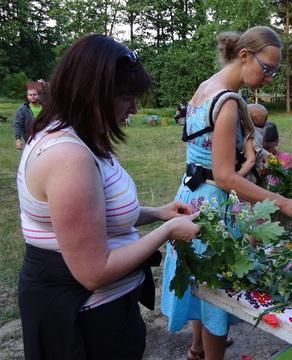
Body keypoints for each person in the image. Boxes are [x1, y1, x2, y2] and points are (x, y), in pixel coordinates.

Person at [16, 34, 200, 360]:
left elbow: (97, 214)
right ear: (91, 94)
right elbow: (94, 271)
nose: (134, 108)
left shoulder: (81, 134)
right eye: (126, 97)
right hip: (84, 320)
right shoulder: (68, 158)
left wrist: (158, 213)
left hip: (104, 310)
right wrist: (168, 232)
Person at [160, 26, 292, 360]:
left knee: (202, 283)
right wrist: (284, 203)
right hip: (213, 208)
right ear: (244, 56)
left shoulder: (205, 88)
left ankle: (196, 350)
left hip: (189, 198)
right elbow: (226, 178)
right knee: (217, 294)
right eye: (267, 69)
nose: (269, 77)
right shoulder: (228, 102)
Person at [237, 103, 268, 185]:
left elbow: (251, 160)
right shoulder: (258, 134)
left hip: (248, 178)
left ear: (243, 123)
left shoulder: (251, 139)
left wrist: (237, 176)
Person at [263, 121, 292, 185]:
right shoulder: (254, 160)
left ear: (277, 142)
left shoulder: (286, 158)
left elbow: (290, 182)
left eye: (268, 148)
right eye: (262, 149)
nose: (265, 152)